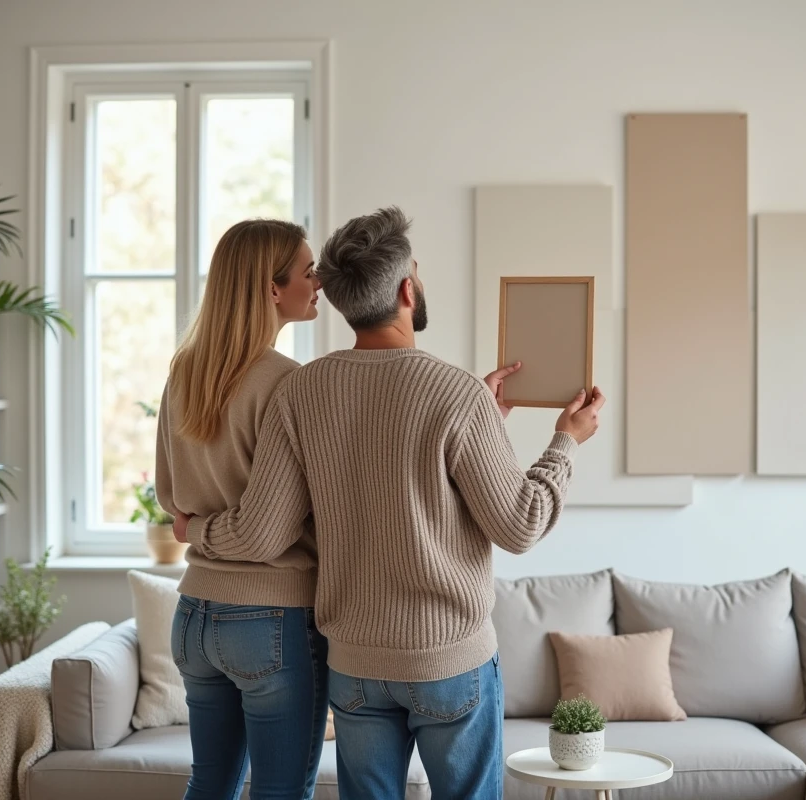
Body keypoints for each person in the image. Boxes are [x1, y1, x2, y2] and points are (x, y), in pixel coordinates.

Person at [177, 206, 604, 800]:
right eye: (417, 273)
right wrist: (565, 443)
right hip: (448, 661)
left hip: (355, 666)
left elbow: (277, 519)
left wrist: (195, 529)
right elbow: (521, 524)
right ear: (407, 289)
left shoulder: (301, 390)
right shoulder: (455, 393)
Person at [155, 219, 327, 800]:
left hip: (194, 617)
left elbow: (171, 501)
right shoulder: (289, 383)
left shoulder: (184, 370)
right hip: (270, 619)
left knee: (209, 785)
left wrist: (196, 529)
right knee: (281, 792)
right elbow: (262, 537)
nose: (319, 282)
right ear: (272, 288)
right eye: (308, 271)